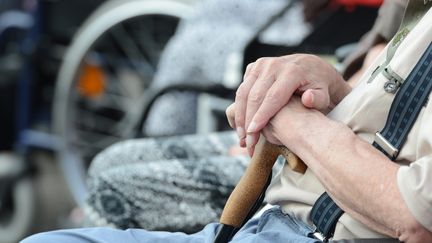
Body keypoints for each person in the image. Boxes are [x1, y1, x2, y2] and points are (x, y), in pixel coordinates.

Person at [22, 0, 432, 243]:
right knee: (105, 170)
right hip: (291, 199)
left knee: (116, 181)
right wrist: (334, 87)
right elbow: (386, 99)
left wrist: (294, 124)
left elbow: (414, 214)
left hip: (309, 209)